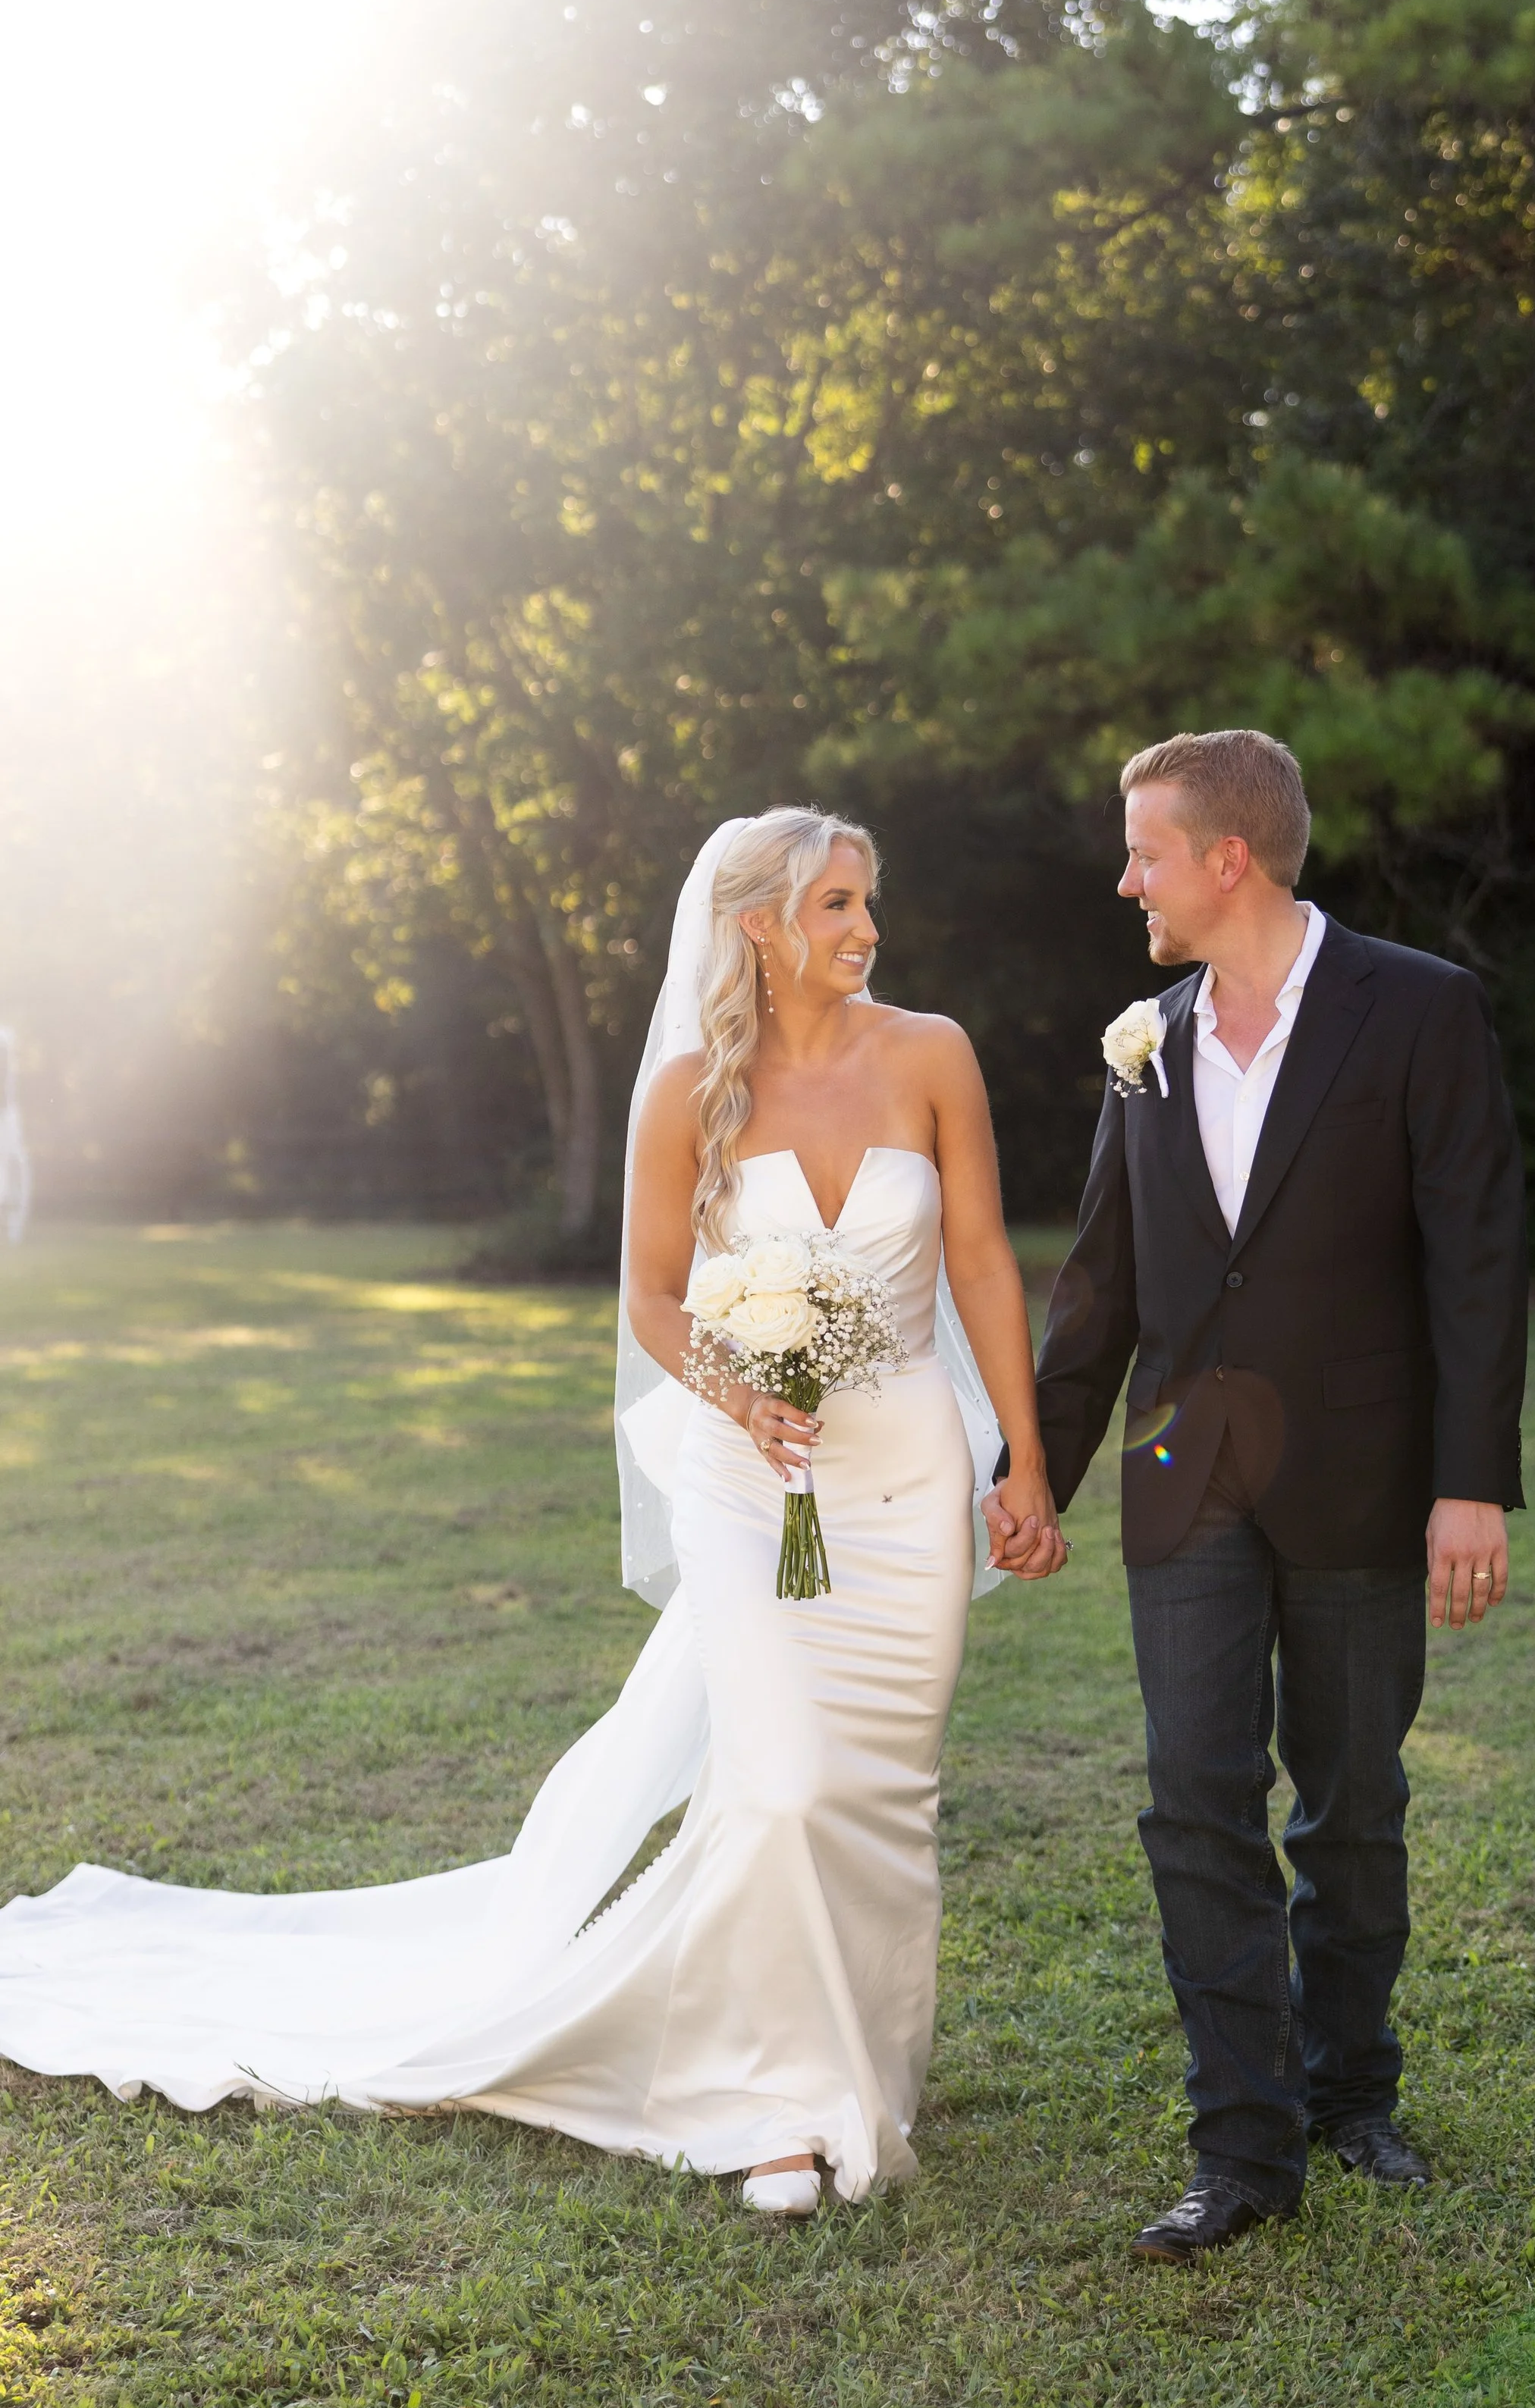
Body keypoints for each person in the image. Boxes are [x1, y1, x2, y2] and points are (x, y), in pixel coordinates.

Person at [0, 807, 1065, 2215]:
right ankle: (769, 2105)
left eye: (869, 901)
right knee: (778, 1779)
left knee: (880, 1790)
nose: (868, 929)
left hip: (907, 1481)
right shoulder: (691, 1090)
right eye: (837, 904)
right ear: (758, 924)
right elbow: (653, 1299)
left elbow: (982, 1261)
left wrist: (1023, 1462)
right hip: (747, 1481)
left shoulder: (932, 1055)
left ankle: (858, 2066)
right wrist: (744, 1393)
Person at [988, 729, 1527, 2263]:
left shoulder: (1417, 1007)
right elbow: (1102, 1284)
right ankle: (1241, 2147)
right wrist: (1036, 1466)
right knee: (1192, 1800)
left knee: (1350, 1806)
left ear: (1228, 859)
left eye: (1144, 851)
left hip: (1364, 1471)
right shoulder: (1142, 1041)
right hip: (1183, 1475)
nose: (1125, 881)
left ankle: (1353, 2092)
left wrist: (1469, 1486)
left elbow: (1477, 1261)